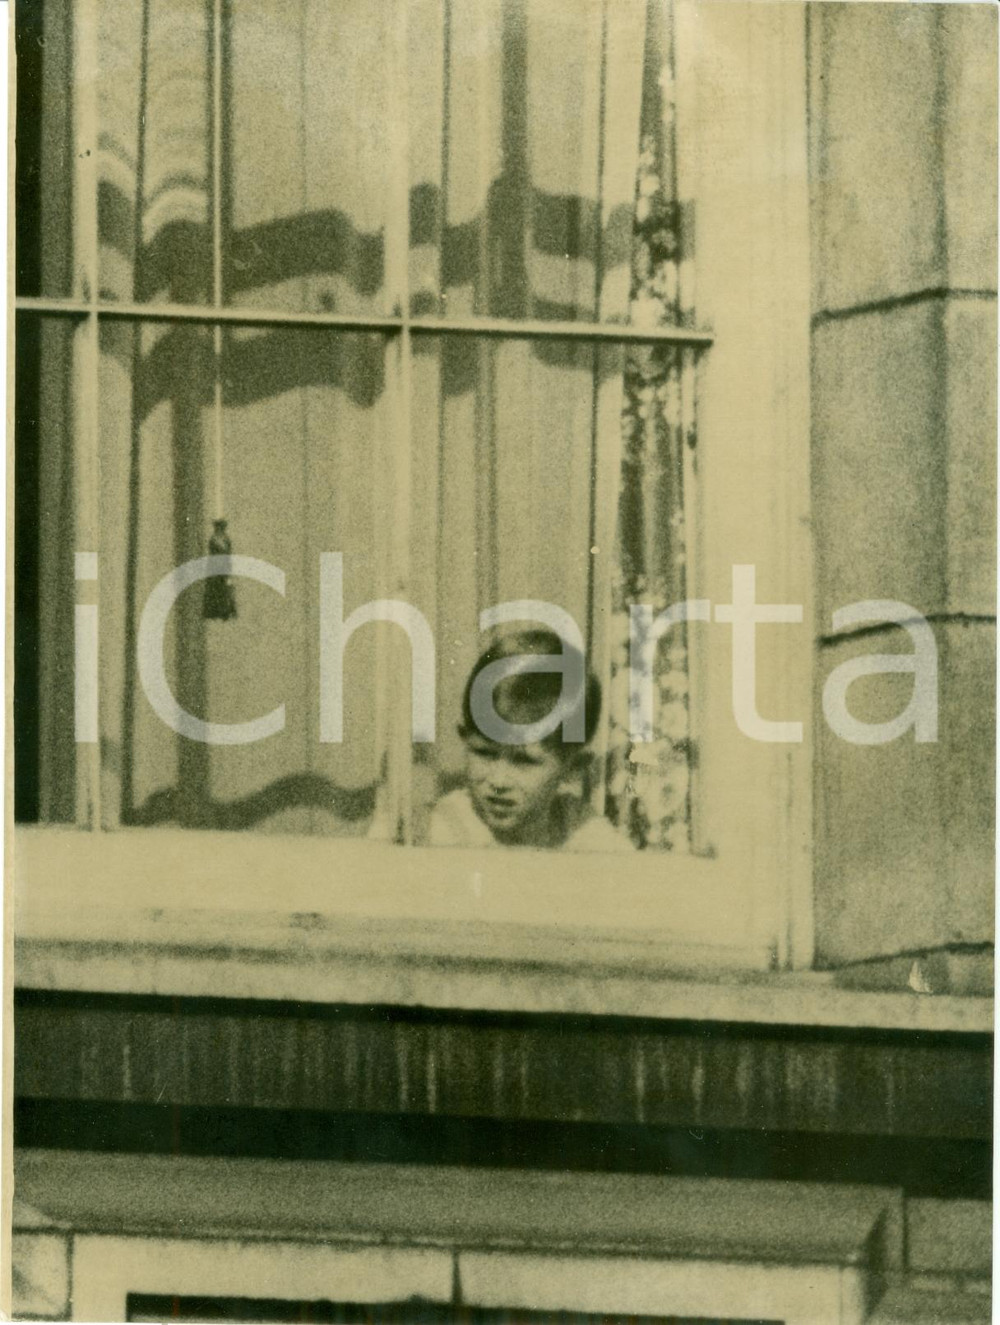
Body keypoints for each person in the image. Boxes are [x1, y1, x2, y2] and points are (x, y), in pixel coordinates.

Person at [427, 629, 632, 851]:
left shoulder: (577, 826)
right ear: (465, 740)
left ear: (573, 767)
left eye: (523, 761)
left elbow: (633, 875)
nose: (499, 781)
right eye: (485, 753)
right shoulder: (449, 825)